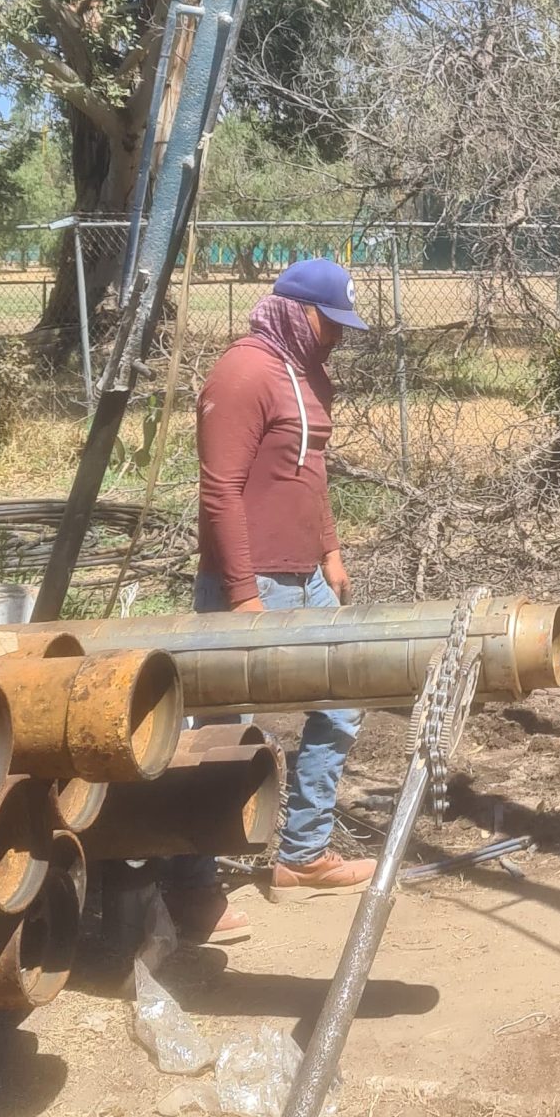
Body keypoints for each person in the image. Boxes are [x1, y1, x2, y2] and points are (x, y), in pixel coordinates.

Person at [167, 258, 371, 942]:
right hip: (248, 582)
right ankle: (190, 890)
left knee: (342, 700)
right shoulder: (243, 373)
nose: (336, 335)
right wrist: (243, 596)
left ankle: (303, 855)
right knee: (223, 735)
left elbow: (309, 474)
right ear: (296, 311)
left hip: (305, 576)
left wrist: (330, 551)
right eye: (329, 322)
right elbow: (220, 489)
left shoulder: (308, 374)